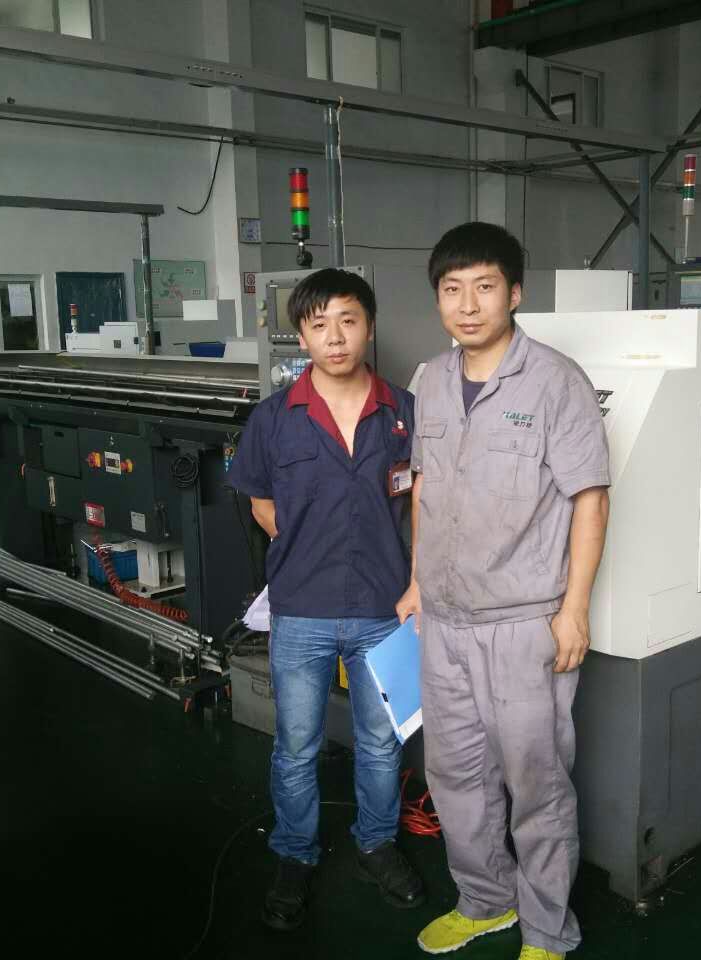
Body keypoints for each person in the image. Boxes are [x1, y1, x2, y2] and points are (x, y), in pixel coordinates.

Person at [397, 223, 611, 960]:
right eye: (451, 289)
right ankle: (485, 901)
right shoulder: (429, 380)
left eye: (484, 287)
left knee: (536, 781)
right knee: (455, 774)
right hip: (444, 620)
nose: (467, 305)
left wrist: (574, 610)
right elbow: (424, 490)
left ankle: (548, 931)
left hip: (524, 622)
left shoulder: (556, 382)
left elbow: (590, 499)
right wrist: (416, 582)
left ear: (514, 293)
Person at [227, 267, 425, 932]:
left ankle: (376, 844)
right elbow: (261, 503)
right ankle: (294, 852)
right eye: (319, 325)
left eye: (348, 321)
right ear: (302, 335)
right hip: (301, 609)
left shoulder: (404, 413)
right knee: (296, 745)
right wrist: (311, 547)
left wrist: (415, 582)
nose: (335, 338)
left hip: (384, 609)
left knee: (380, 744)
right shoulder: (273, 419)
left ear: (369, 327)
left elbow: (424, 505)